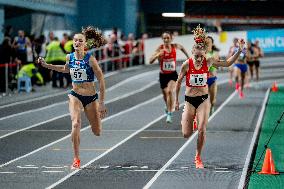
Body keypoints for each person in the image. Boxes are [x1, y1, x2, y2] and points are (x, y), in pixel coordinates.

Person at [175, 25, 245, 169]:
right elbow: (178, 82)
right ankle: (192, 118)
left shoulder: (210, 61)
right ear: (193, 51)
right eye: (197, 52)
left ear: (205, 52)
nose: (199, 55)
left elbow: (227, 63)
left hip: (203, 100)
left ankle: (198, 157)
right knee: (186, 134)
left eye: (202, 52)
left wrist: (239, 50)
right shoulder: (186, 65)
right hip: (189, 100)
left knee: (202, 129)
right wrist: (176, 100)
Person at [37, 26, 107, 169]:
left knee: (97, 131)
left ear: (85, 43)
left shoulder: (90, 59)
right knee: (75, 123)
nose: (77, 43)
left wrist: (101, 103)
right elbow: (65, 69)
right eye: (75, 40)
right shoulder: (69, 57)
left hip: (91, 98)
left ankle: (95, 120)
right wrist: (46, 65)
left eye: (80, 41)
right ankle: (76, 159)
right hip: (75, 95)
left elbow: (101, 79)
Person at [149, 31, 189, 123]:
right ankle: (167, 106)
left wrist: (188, 57)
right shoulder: (160, 49)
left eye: (168, 38)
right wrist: (157, 56)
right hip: (163, 75)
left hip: (172, 74)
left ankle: (169, 114)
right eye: (164, 38)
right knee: (165, 94)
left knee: (170, 92)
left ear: (171, 38)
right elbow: (150, 61)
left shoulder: (175, 46)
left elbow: (182, 48)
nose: (166, 40)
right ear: (162, 39)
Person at [206, 36, 220, 115]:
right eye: (206, 42)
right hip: (203, 80)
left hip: (212, 79)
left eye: (209, 42)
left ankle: (212, 106)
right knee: (203, 99)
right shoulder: (201, 53)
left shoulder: (215, 53)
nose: (207, 43)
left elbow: (216, 64)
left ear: (212, 43)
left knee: (213, 100)